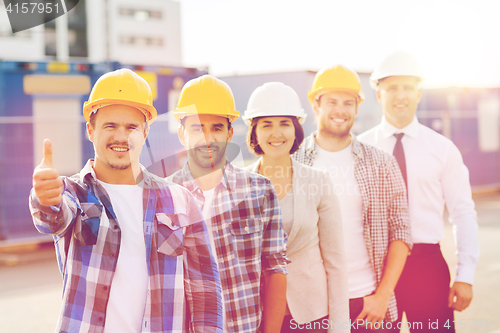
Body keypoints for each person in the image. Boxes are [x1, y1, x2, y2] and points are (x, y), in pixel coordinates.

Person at [29, 68, 223, 333]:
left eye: (131, 127)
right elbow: (52, 216)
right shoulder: (72, 192)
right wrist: (45, 198)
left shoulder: (181, 201)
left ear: (145, 133)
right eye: (110, 125)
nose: (121, 136)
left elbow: (206, 291)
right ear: (90, 129)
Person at [358, 51, 480, 332]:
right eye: (392, 88)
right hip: (373, 266)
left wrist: (466, 275)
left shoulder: (442, 149)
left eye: (408, 87)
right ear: (378, 94)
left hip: (426, 266)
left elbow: (462, 212)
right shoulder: (360, 150)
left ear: (419, 93)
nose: (400, 95)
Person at [292, 65, 412, 332]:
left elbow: (402, 231)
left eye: (348, 102)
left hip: (368, 304)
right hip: (313, 307)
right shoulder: (293, 163)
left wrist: (382, 296)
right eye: (332, 102)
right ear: (315, 105)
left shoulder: (382, 163)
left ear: (358, 107)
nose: (340, 110)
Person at [167, 75, 288, 333]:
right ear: (182, 134)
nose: (208, 138)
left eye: (217, 128)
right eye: (198, 128)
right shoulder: (164, 197)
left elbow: (275, 267)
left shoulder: (259, 191)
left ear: (230, 133)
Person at [243, 82, 350, 333]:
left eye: (284, 123)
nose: (276, 133)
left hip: (309, 316)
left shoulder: (318, 181)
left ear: (296, 129)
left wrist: (340, 327)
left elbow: (335, 262)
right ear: (255, 132)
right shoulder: (239, 185)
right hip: (254, 315)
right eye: (266, 124)